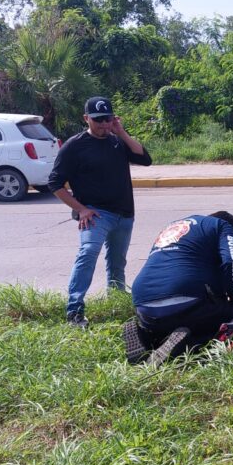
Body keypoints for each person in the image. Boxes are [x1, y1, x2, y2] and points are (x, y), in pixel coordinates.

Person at [48, 96, 152, 328]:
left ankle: (115, 304)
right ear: (86, 119)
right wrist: (81, 209)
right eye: (98, 120)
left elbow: (145, 159)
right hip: (96, 215)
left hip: (124, 214)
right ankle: (74, 311)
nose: (104, 125)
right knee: (87, 254)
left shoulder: (116, 141)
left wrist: (121, 132)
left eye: (108, 119)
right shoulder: (74, 146)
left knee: (117, 263)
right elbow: (54, 183)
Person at [126, 211, 233, 365]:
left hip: (143, 306)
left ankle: (148, 337)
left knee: (173, 317)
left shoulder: (174, 226)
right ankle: (187, 345)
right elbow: (231, 262)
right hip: (185, 300)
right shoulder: (223, 226)